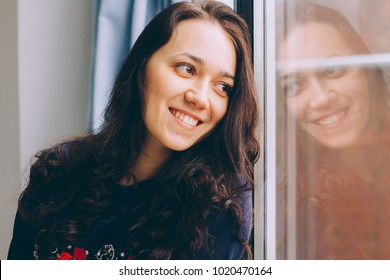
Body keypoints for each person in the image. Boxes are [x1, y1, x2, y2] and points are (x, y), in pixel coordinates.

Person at [7, 0, 259, 260]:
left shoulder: (219, 205)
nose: (201, 98)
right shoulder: (57, 170)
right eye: (186, 68)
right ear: (142, 67)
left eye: (223, 86)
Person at [277, 2, 390, 259]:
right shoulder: (284, 206)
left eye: (332, 70)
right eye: (294, 85)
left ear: (367, 71)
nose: (320, 99)